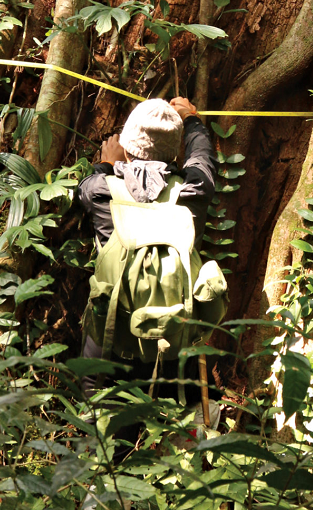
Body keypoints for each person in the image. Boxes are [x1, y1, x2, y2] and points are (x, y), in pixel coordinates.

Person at [77, 96, 218, 399]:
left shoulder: (101, 191)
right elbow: (202, 161)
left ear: (127, 149)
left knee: (100, 425)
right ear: (174, 154)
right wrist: (191, 119)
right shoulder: (192, 191)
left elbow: (87, 186)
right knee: (177, 422)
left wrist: (106, 161)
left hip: (110, 343)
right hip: (174, 342)